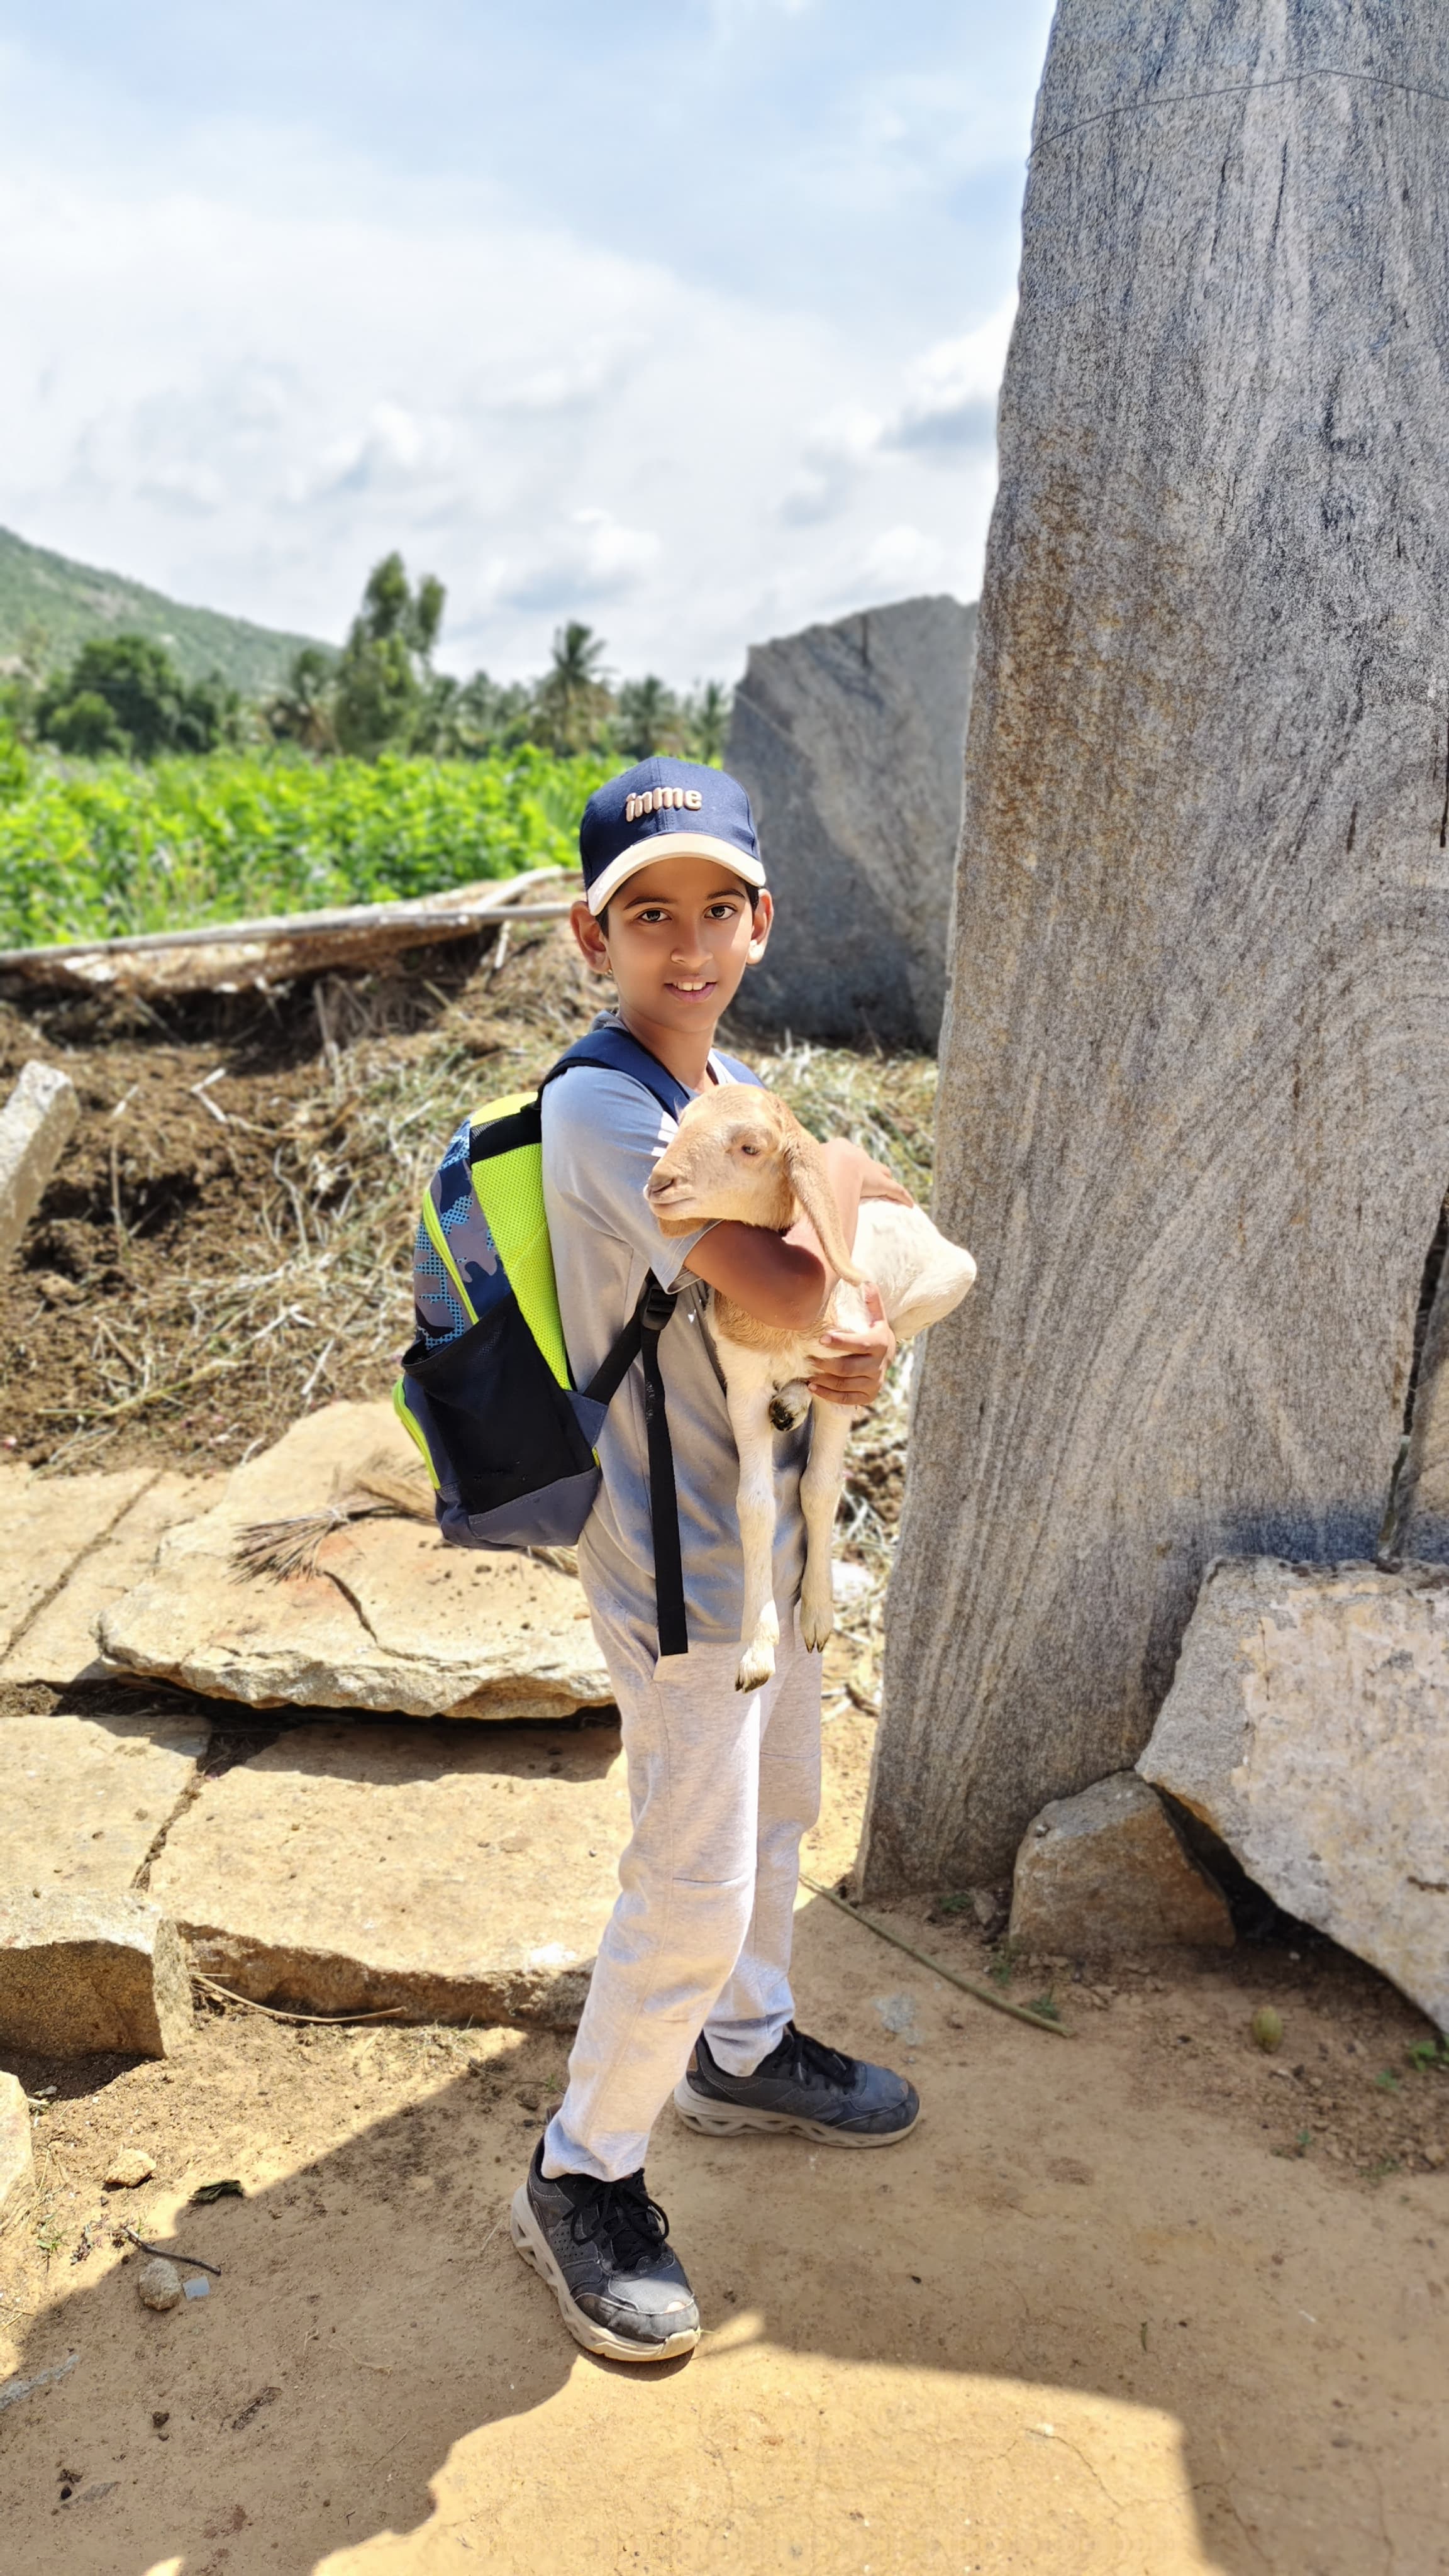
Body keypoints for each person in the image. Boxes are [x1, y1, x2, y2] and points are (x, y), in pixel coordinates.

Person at [511, 756, 919, 2364]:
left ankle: (740, 2046)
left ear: (765, 920)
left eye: (715, 909)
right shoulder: (609, 1105)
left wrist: (853, 1353)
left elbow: (826, 1302)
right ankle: (583, 2167)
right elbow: (798, 1269)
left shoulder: (723, 1078)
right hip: (678, 1560)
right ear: (587, 935)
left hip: (767, 1536)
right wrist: (852, 1301)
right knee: (686, 1868)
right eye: (647, 913)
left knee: (781, 1801)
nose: (686, 943)